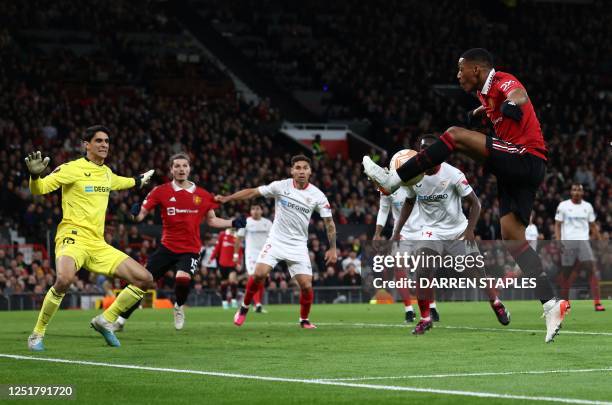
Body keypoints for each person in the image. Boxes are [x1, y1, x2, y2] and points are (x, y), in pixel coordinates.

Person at [363, 48, 567, 343]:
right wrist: (484, 112)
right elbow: (496, 107)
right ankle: (551, 304)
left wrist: (510, 104)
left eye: (461, 70)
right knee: (512, 239)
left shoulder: (501, 80)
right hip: (518, 170)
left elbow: (519, 94)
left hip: (525, 156)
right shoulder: (485, 95)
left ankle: (393, 179)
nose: (458, 76)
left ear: (476, 69)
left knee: (454, 135)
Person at [25, 125, 156, 350]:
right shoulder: (71, 169)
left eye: (106, 141)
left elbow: (121, 181)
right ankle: (37, 334)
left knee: (144, 279)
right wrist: (35, 175)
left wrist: (138, 180)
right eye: (99, 141)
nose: (104, 145)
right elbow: (39, 190)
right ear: (86, 145)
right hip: (72, 238)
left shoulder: (106, 173)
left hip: (97, 244)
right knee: (64, 280)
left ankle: (105, 320)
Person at [392, 134, 510, 334]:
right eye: (422, 151)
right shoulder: (414, 176)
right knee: (422, 271)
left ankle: (496, 303)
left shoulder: (453, 174)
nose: (424, 154)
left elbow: (475, 203)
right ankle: (425, 318)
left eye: (428, 150)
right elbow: (409, 202)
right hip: (430, 232)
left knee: (477, 274)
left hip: (457, 230)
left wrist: (470, 230)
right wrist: (397, 231)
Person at [114, 153, 245, 330]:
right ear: (171, 170)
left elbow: (212, 220)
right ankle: (121, 321)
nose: (181, 169)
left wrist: (232, 222)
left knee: (182, 279)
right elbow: (140, 215)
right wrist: (134, 213)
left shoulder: (203, 195)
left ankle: (179, 306)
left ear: (189, 168)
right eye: (177, 166)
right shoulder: (160, 191)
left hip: (190, 248)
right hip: (166, 247)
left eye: (184, 166)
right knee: (142, 282)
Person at [216, 155, 337, 328]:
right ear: (292, 171)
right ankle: (244, 308)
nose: (301, 171)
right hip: (276, 241)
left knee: (306, 286)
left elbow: (329, 223)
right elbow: (253, 191)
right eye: (297, 168)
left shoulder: (318, 195)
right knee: (258, 274)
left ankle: (304, 320)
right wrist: (228, 198)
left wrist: (333, 248)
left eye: (304, 168)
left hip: (298, 246)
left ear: (310, 171)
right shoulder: (280, 186)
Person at [554, 184, 604, 311]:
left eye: (579, 190)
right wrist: (559, 241)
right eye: (574, 190)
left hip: (583, 242)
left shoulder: (587, 207)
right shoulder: (563, 206)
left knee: (591, 269)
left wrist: (599, 239)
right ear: (571, 192)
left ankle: (597, 303)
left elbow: (592, 225)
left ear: (582, 192)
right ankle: (565, 302)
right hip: (568, 242)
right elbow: (557, 225)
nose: (576, 192)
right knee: (566, 273)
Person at [235, 203, 273, 313]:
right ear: (250, 211)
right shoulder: (246, 222)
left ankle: (256, 304)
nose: (255, 211)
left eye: (257, 208)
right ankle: (256, 303)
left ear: (262, 210)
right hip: (251, 254)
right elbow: (238, 238)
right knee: (253, 277)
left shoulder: (268, 223)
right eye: (253, 208)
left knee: (262, 279)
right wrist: (236, 255)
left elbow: (273, 238)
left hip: (265, 254)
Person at [210, 228, 242, 309]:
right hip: (222, 263)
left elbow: (240, 251)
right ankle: (224, 302)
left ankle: (234, 300)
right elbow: (217, 247)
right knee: (224, 283)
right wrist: (211, 258)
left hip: (232, 263)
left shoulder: (237, 237)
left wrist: (238, 263)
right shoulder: (222, 234)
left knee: (232, 281)